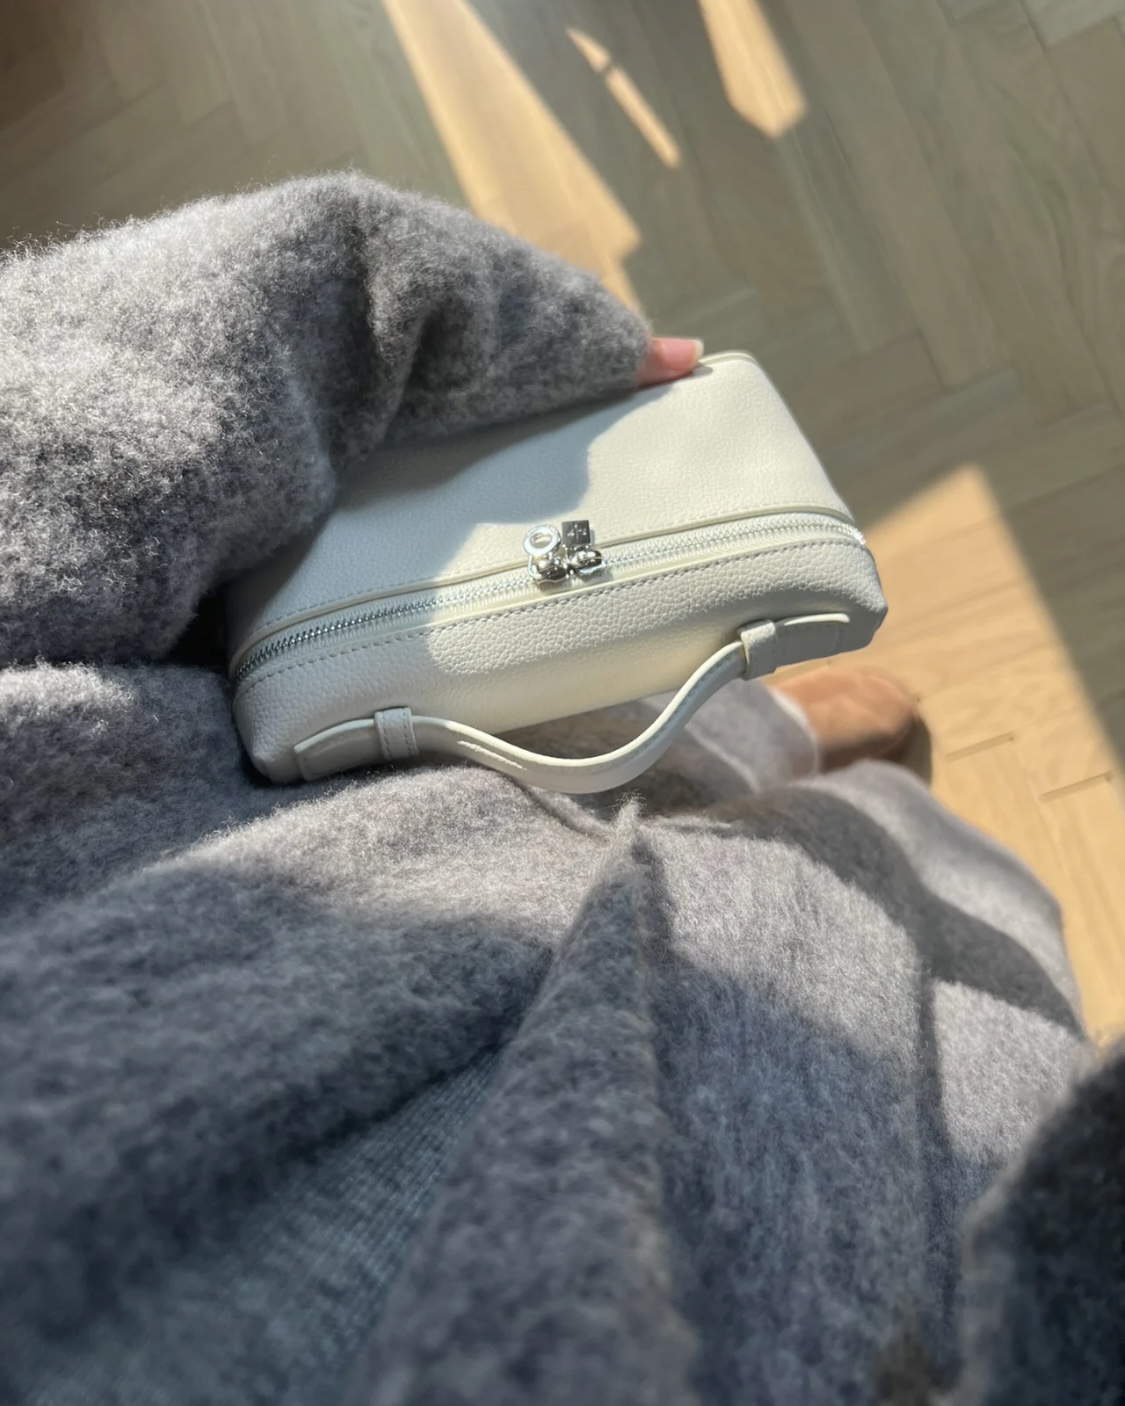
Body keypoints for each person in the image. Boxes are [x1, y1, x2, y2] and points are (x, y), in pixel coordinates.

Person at [0, 175, 1120, 1406]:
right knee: (901, 862)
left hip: (377, 780)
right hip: (880, 1148)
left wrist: (435, 309)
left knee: (669, 726)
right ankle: (845, 793)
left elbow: (86, 423)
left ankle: (781, 741)